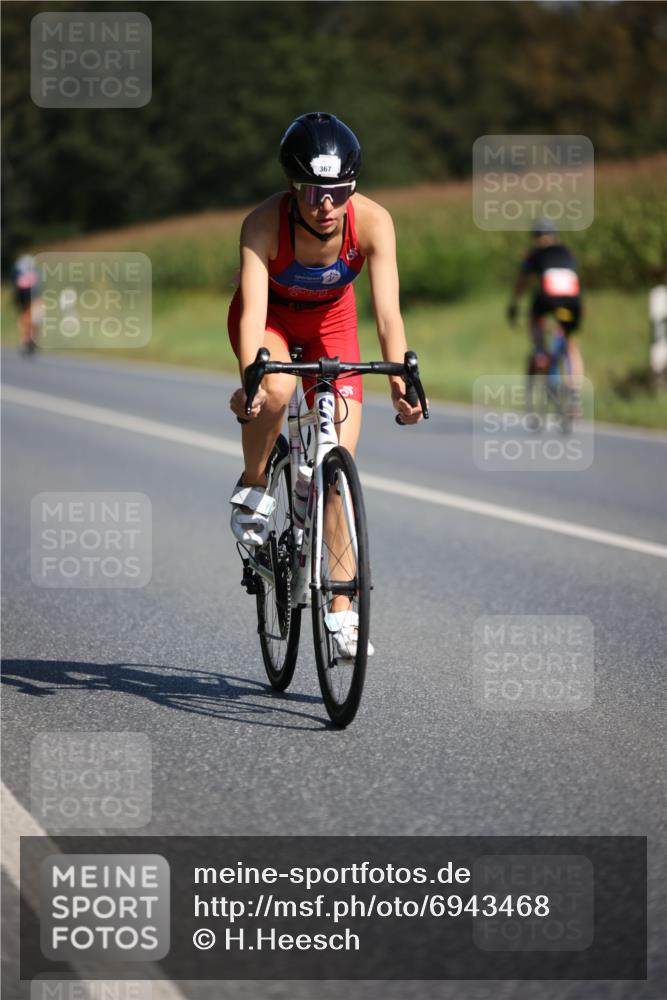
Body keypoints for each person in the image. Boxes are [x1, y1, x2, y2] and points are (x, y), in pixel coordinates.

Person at [227, 111, 424, 657]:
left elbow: (388, 317)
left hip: (332, 324)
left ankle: (342, 611)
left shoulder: (375, 223)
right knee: (281, 390)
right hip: (271, 317)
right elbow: (250, 316)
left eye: (339, 191)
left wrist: (401, 385)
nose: (327, 205)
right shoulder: (264, 224)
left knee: (336, 465)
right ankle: (252, 484)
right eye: (314, 191)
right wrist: (254, 378)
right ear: (294, 187)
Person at [506, 218, 584, 392]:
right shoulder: (568, 252)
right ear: (555, 236)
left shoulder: (535, 254)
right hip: (573, 301)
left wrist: (513, 305)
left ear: (535, 237)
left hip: (548, 299)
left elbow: (522, 282)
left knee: (535, 319)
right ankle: (574, 393)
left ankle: (541, 351)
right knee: (571, 344)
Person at [12, 254, 43, 355]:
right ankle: (27, 341)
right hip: (30, 300)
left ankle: (27, 341)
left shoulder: (25, 276)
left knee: (29, 321)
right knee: (29, 321)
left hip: (32, 300)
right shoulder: (34, 275)